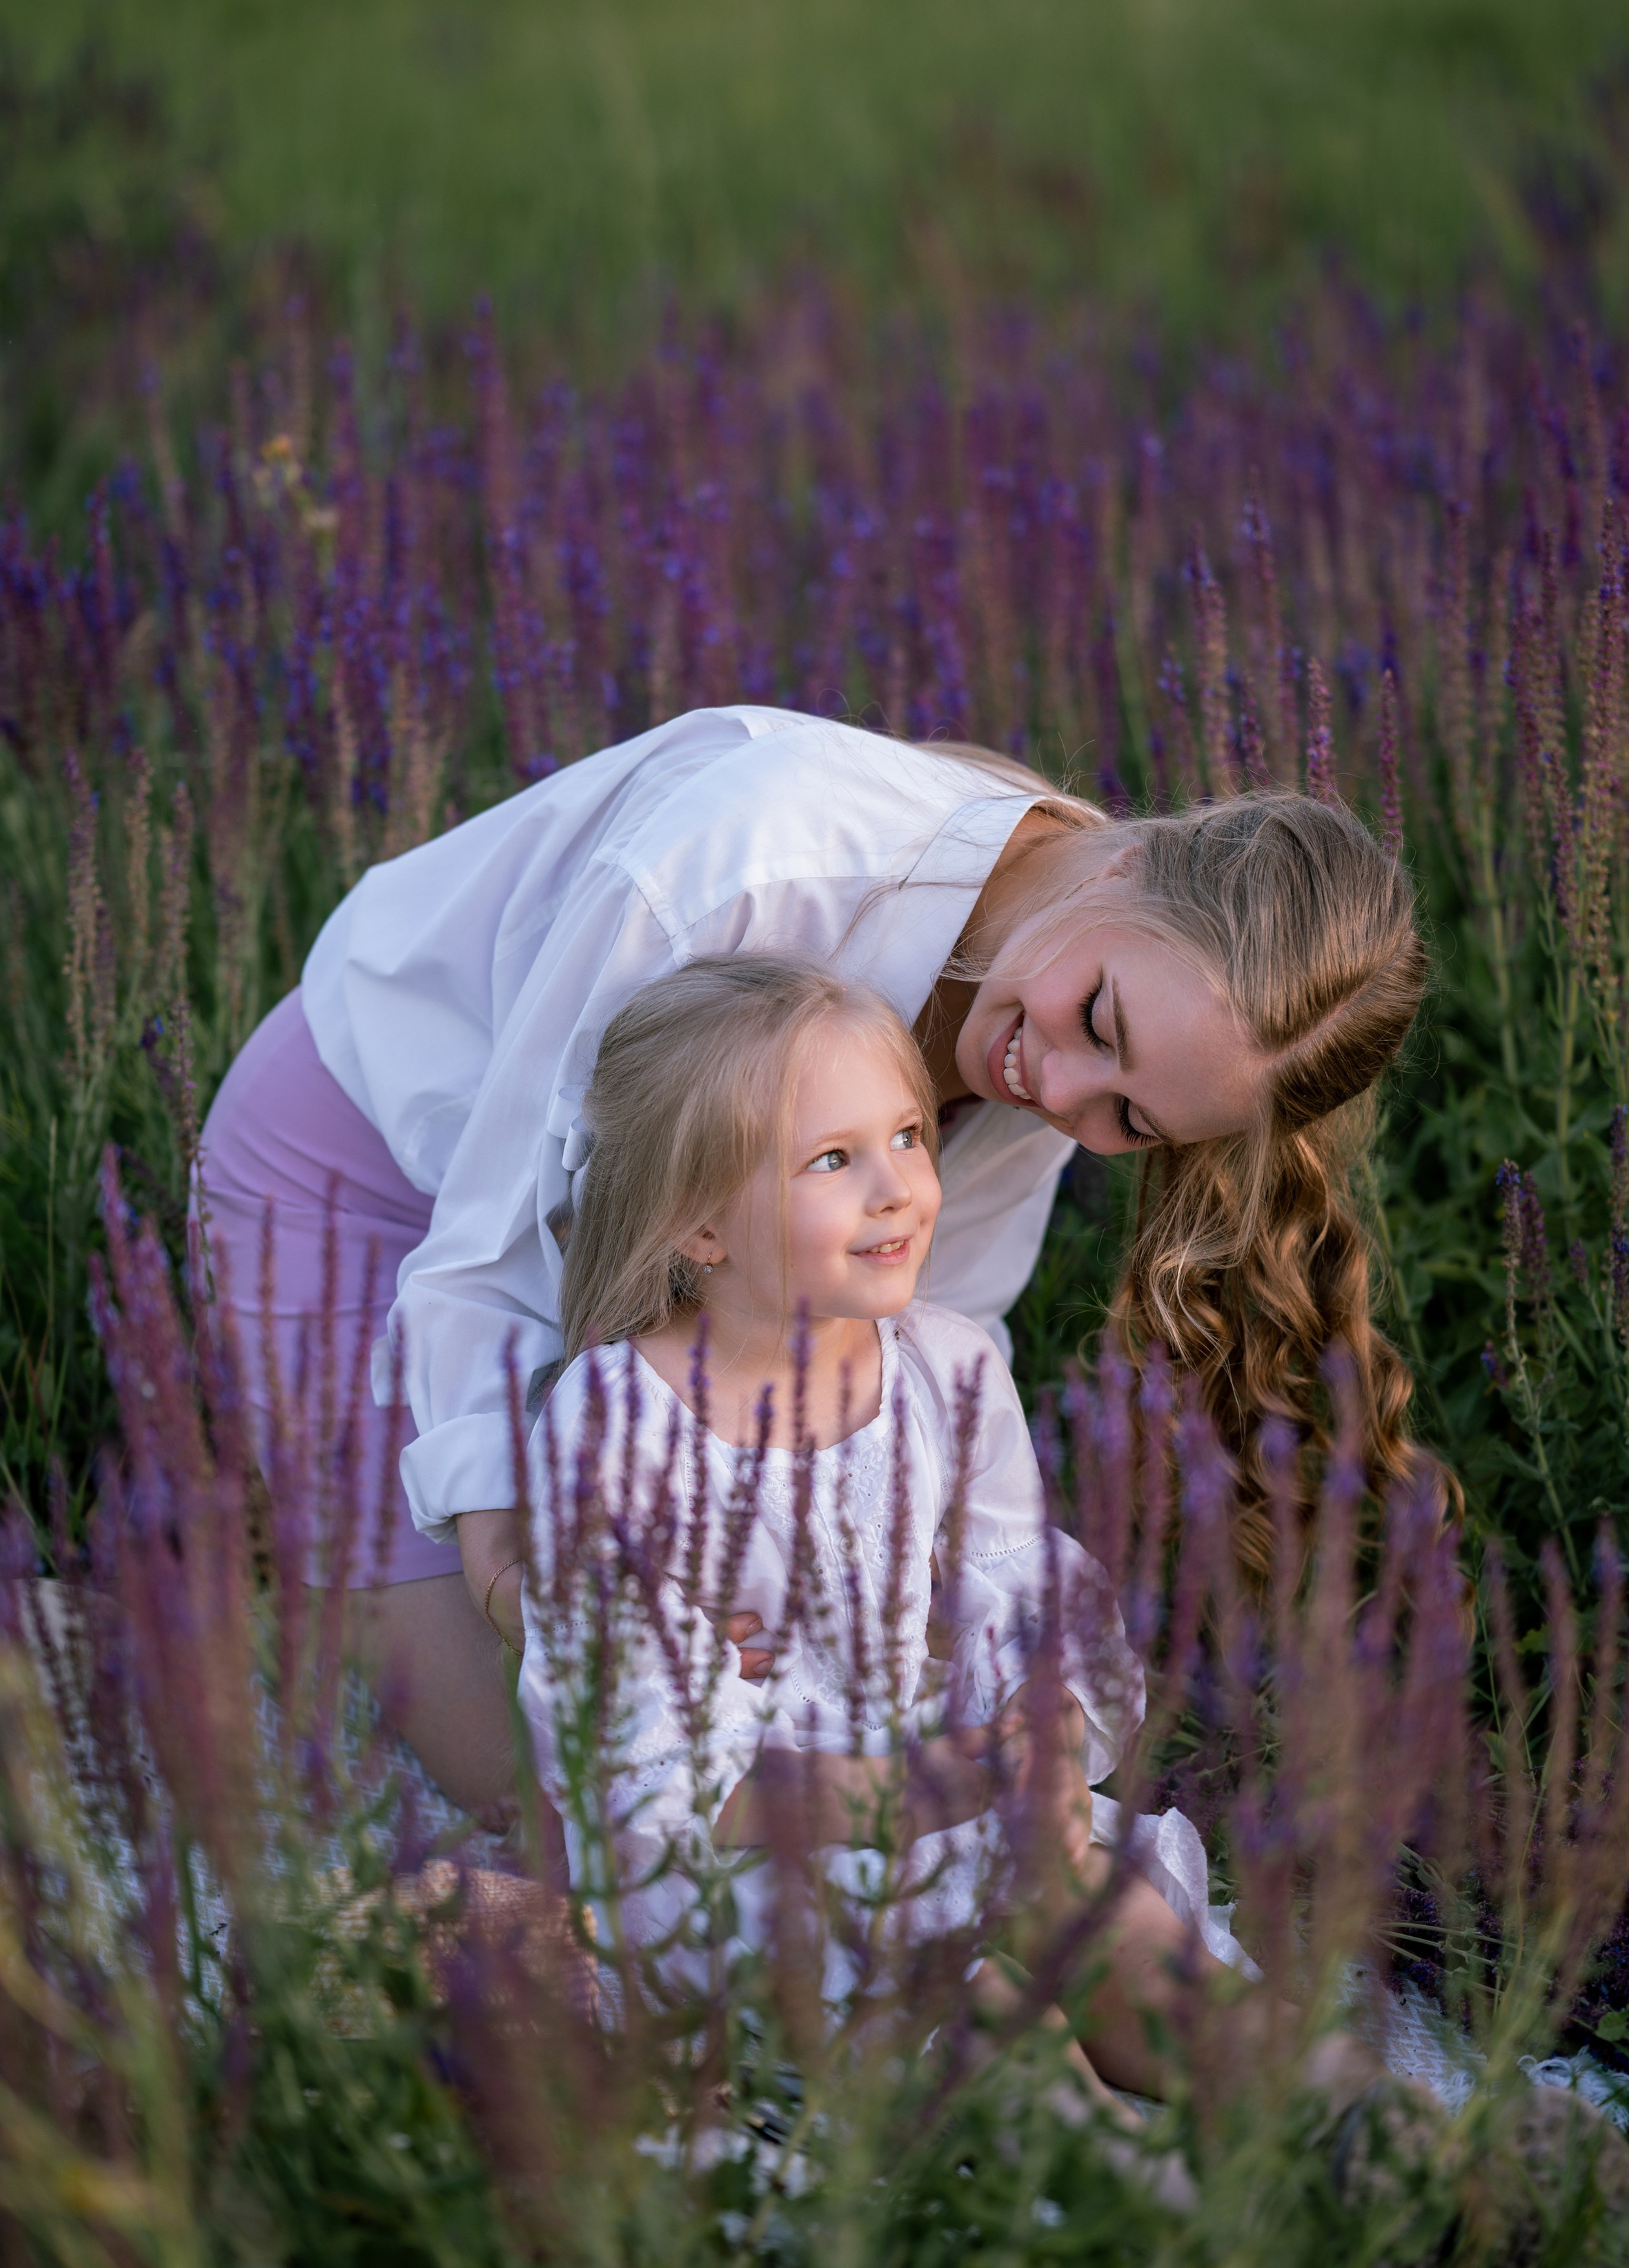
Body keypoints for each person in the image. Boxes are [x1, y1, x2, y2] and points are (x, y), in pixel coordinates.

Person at [197, 704, 1428, 1812]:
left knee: (790, 1764)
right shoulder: (755, 861)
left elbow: (924, 1333)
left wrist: (922, 1598)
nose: (1056, 1093)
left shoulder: (1059, 1047)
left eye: (1130, 1121)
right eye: (1097, 1021)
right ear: (1127, 862)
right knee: (552, 1786)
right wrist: (526, 1569)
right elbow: (494, 1256)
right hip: (363, 1169)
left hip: (638, 1312)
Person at [517, 955, 1248, 2096]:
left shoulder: (946, 1371)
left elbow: (1023, 1596)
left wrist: (1038, 1729)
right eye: (831, 1159)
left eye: (908, 1134)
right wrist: (922, 1796)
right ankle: (1123, 2183)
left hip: (955, 1797)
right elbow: (644, 1773)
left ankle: (1360, 2120)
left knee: (1135, 1951)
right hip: (767, 1859)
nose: (899, 1187)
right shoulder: (621, 1421)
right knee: (978, 2026)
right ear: (701, 1227)